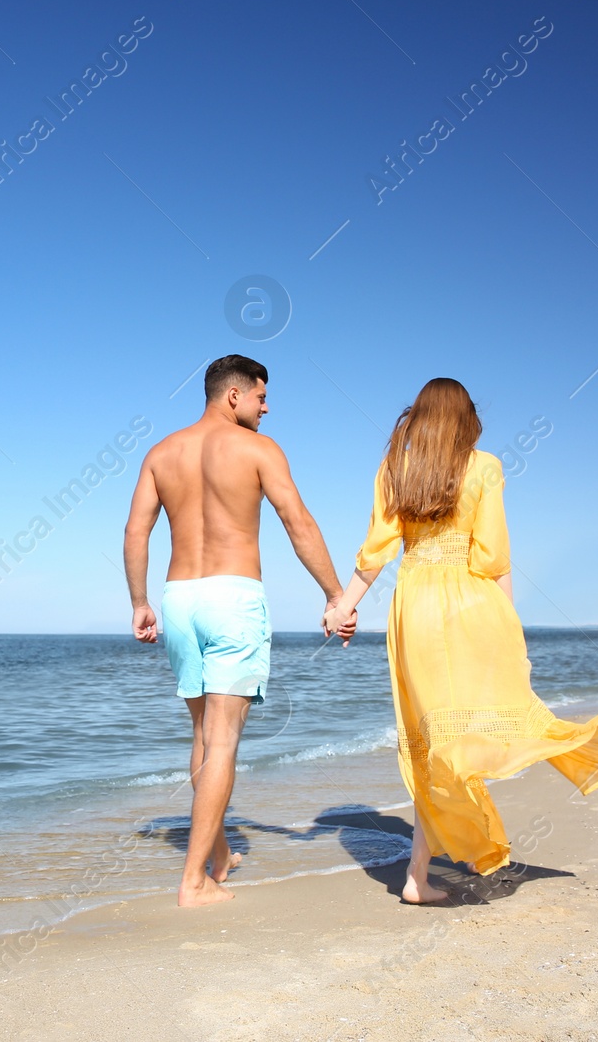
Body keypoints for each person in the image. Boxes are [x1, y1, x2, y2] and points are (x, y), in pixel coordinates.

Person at [325, 378, 598, 903]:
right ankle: (422, 871)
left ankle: (420, 873)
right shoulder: (485, 466)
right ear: (464, 418)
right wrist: (511, 630)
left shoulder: (395, 468)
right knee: (462, 735)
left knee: (431, 737)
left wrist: (344, 604)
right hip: (472, 601)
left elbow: (375, 551)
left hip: (414, 606)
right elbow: (494, 557)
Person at [125, 355, 357, 907]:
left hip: (178, 598)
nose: (266, 407)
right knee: (224, 741)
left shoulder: (161, 453)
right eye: (261, 397)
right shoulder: (258, 450)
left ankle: (220, 854)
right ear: (234, 396)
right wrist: (334, 595)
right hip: (233, 596)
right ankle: (192, 883)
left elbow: (137, 530)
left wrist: (138, 602)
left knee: (205, 736)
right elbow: (297, 522)